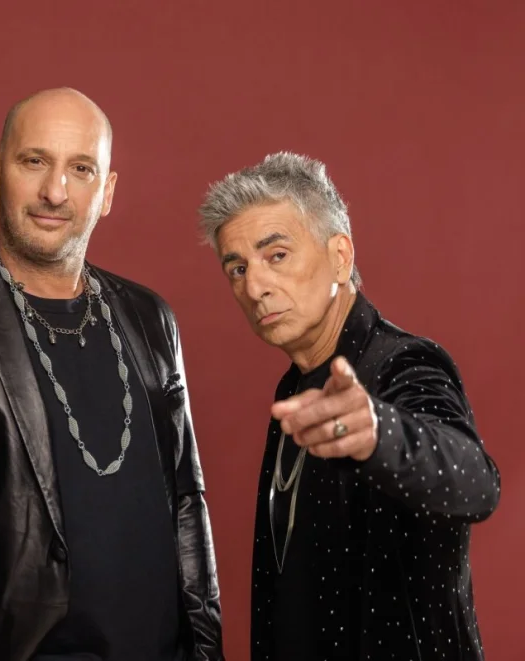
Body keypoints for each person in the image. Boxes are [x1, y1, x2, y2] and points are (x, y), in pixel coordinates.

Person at [0, 87, 224, 661]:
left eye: (81, 169)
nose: (55, 191)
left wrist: (207, 650)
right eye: (35, 162)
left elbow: (187, 504)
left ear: (107, 192)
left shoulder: (151, 319)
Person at [198, 151, 500, 661]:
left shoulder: (404, 363)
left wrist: (380, 433)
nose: (254, 286)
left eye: (277, 255)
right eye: (238, 268)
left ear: (340, 256)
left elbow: (477, 482)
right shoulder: (294, 388)